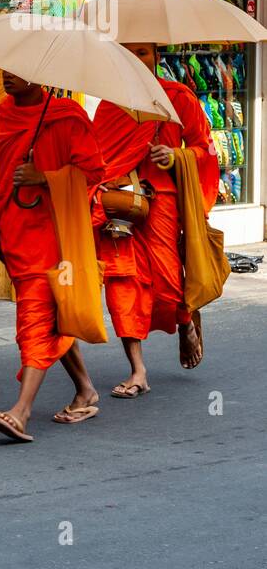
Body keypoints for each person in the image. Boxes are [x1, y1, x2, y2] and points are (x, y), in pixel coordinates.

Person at [0, 72, 106, 443]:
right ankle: (85, 389)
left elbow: (94, 172)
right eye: (5, 69)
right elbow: (2, 174)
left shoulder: (66, 115)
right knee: (53, 316)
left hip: (52, 235)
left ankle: (20, 412)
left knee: (35, 318)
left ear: (40, 76)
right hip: (12, 229)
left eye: (18, 71)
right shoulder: (4, 112)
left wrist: (45, 176)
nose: (7, 76)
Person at [93, 42, 220, 397]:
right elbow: (96, 157)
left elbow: (205, 147)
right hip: (119, 203)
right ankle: (137, 369)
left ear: (157, 58)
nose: (137, 59)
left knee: (166, 281)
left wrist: (176, 155)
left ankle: (184, 319)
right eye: (129, 53)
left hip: (161, 201)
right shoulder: (109, 103)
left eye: (144, 52)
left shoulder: (178, 97)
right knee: (122, 281)